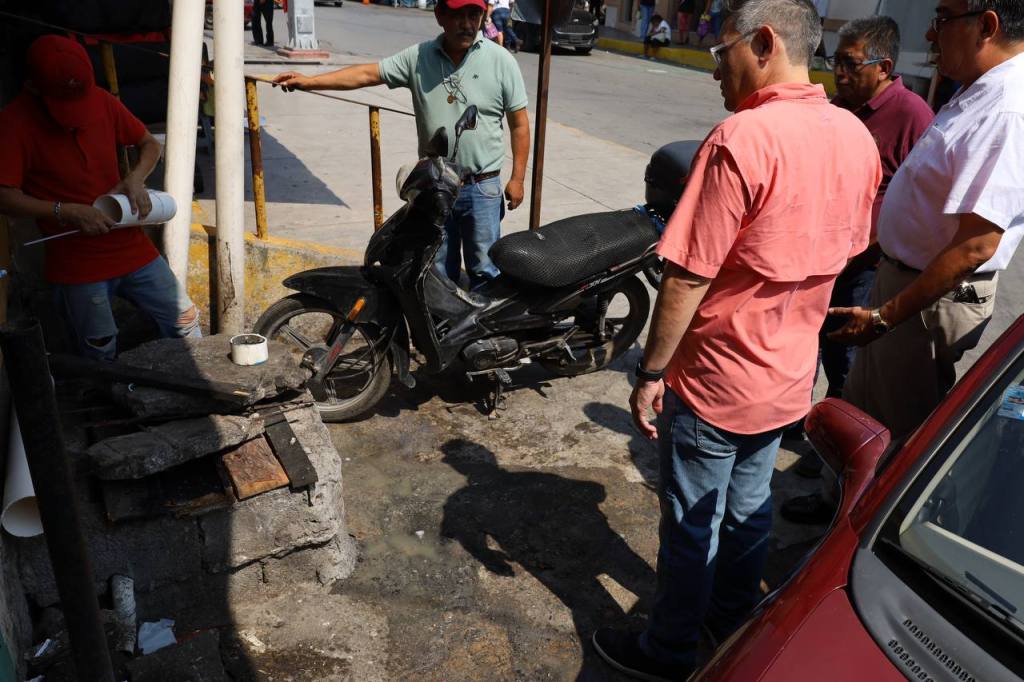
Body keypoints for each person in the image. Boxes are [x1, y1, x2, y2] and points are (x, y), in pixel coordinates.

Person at [591, 1, 882, 679]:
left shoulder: (741, 140)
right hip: (787, 379)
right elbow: (861, 242)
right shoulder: (854, 137)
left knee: (694, 523)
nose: (717, 71)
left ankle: (667, 652)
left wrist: (651, 372)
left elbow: (687, 277)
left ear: (763, 42)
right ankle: (730, 620)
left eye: (723, 54)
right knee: (750, 512)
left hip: (719, 380)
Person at [830, 0, 1024, 442]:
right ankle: (837, 497)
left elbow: (976, 244)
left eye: (941, 20)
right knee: (865, 406)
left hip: (926, 298)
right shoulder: (978, 88)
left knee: (895, 429)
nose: (931, 35)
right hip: (903, 283)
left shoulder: (1009, 108)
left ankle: (870, 509)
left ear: (986, 26)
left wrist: (884, 317)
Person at [781, 15, 934, 523]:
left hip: (866, 264)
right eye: (835, 62)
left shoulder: (911, 114)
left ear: (883, 66)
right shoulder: (839, 105)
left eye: (849, 65)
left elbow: (915, 196)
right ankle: (816, 433)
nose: (838, 74)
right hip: (823, 252)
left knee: (847, 361)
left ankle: (837, 469)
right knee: (816, 343)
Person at [273, 0, 530, 289]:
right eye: (458, 15)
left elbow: (519, 124)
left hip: (482, 188)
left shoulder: (501, 60)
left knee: (484, 270)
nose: (467, 23)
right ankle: (443, 333)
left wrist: (518, 178)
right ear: (440, 16)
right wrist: (310, 82)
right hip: (438, 188)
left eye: (474, 14)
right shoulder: (419, 57)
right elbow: (367, 74)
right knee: (438, 273)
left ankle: (482, 335)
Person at [0, 35, 201, 361]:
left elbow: (150, 143)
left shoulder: (102, 101)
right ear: (32, 87)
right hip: (75, 259)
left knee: (186, 319)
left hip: (131, 245)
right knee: (99, 348)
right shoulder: (13, 123)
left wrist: (135, 179)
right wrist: (66, 211)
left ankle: (190, 390)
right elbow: (5, 197)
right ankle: (108, 401)